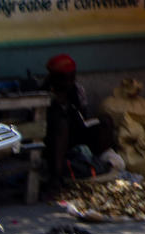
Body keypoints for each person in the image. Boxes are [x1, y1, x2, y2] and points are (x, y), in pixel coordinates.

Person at [43, 54, 116, 182]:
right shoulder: (44, 92)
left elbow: (83, 116)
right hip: (52, 140)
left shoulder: (77, 90)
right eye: (64, 78)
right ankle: (57, 176)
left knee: (106, 121)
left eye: (72, 77)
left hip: (75, 134)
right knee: (62, 125)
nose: (69, 82)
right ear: (54, 77)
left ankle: (92, 161)